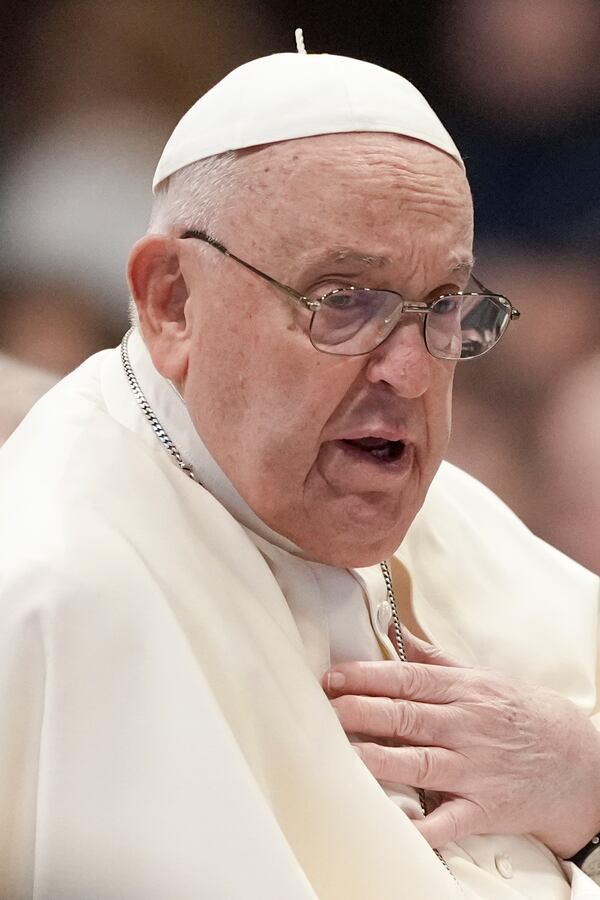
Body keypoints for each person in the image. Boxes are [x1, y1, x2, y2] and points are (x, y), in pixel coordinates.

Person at [0, 48, 598, 900]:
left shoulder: (425, 506)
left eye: (446, 307)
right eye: (345, 300)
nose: (414, 374)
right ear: (172, 300)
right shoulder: (62, 594)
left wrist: (585, 787)